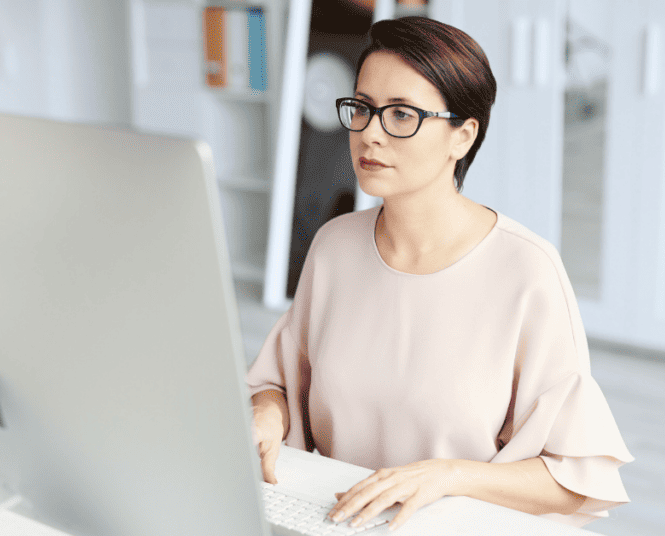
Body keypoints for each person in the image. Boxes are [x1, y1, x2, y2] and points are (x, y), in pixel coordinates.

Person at [247, 16, 633, 530]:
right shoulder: (334, 246)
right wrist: (268, 414)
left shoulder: (527, 271)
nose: (370, 134)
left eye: (401, 114)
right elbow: (277, 383)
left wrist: (449, 476)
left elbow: (575, 479)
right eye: (360, 108)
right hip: (332, 519)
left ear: (463, 136)